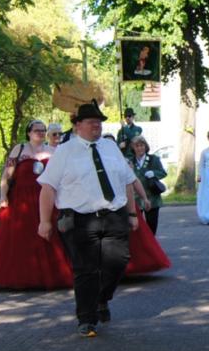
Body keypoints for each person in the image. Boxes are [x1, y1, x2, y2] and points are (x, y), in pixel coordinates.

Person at [36, 102, 140, 337]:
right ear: (78, 125)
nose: (97, 126)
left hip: (113, 215)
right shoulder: (65, 151)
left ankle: (101, 298)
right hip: (79, 220)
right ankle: (87, 319)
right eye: (92, 122)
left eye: (99, 122)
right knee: (85, 270)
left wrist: (132, 213)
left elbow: (127, 181)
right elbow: (48, 187)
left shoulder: (110, 147)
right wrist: (45, 221)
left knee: (118, 262)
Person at [0, 119, 74, 289]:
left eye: (43, 130)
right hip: (20, 200)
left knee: (49, 235)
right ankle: (17, 276)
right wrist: (3, 195)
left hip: (45, 199)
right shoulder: (19, 149)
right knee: (16, 239)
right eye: (36, 130)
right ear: (29, 133)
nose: (40, 133)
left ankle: (50, 275)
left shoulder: (53, 151)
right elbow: (7, 174)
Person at [130, 135, 167, 236]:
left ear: (145, 146)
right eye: (137, 146)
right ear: (133, 148)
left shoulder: (153, 159)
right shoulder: (130, 161)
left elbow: (163, 172)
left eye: (142, 145)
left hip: (152, 198)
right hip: (136, 199)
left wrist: (154, 173)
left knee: (151, 226)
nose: (140, 148)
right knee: (137, 227)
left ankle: (152, 244)